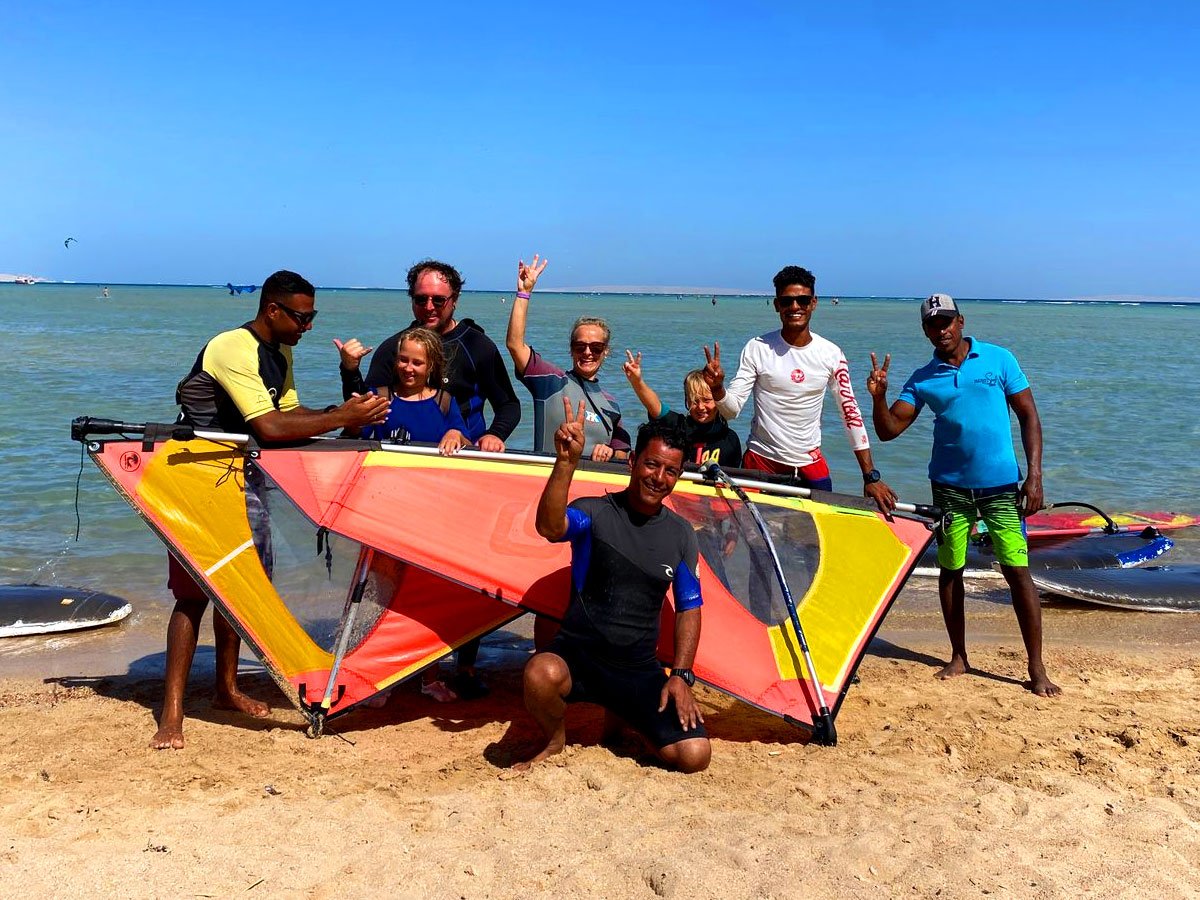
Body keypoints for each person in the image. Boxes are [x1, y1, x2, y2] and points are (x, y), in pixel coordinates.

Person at [156, 270, 390, 749]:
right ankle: (172, 713)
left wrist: (343, 416)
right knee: (193, 594)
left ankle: (226, 688)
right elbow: (268, 427)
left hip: (244, 478)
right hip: (197, 479)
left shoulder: (280, 353)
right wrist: (342, 417)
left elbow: (291, 417)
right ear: (273, 311)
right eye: (302, 318)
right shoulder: (231, 347)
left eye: (313, 317)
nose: (308, 327)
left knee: (243, 586)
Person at [337, 259, 519, 698]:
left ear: (455, 299)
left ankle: (464, 666)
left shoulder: (478, 345)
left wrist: (493, 436)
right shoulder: (393, 350)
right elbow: (361, 414)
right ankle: (378, 661)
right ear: (411, 299)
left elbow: (508, 406)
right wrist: (348, 371)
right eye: (422, 299)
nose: (431, 306)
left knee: (461, 576)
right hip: (397, 493)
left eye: (439, 298)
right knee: (388, 577)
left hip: (464, 482)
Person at [866, 293, 1060, 697]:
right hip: (950, 489)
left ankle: (1036, 667)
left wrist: (1035, 476)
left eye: (948, 321)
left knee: (1017, 570)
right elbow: (888, 430)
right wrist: (879, 397)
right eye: (934, 324)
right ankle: (959, 656)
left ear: (961, 321)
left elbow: (1028, 414)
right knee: (950, 569)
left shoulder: (999, 359)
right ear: (925, 331)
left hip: (1001, 488)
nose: (943, 330)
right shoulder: (922, 378)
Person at [517, 406, 711, 773]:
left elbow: (690, 607)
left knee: (694, 756)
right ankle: (555, 741)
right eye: (652, 465)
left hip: (638, 670)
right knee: (539, 673)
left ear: (679, 475)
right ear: (634, 461)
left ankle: (623, 717)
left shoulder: (681, 534)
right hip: (578, 658)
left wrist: (681, 676)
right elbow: (550, 527)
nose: (659, 477)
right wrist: (565, 463)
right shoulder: (594, 513)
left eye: (671, 471)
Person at [701, 265, 896, 512]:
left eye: (802, 300)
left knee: (816, 542)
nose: (795, 307)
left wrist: (870, 476)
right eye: (787, 301)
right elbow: (731, 411)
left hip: (808, 464)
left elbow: (851, 415)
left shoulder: (831, 354)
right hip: (760, 461)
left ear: (813, 303)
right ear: (776, 305)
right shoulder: (758, 347)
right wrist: (718, 389)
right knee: (752, 541)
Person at [505, 255, 631, 462]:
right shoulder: (550, 381)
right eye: (580, 346)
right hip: (548, 482)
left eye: (596, 347)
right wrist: (524, 293)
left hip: (591, 487)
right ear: (571, 350)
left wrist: (610, 454)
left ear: (606, 351)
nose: (588, 352)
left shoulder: (611, 405)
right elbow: (515, 345)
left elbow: (622, 453)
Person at [622, 353, 741, 468]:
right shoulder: (679, 427)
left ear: (718, 400)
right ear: (686, 401)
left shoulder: (730, 439)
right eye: (694, 401)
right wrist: (637, 381)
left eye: (706, 400)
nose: (700, 407)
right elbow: (656, 407)